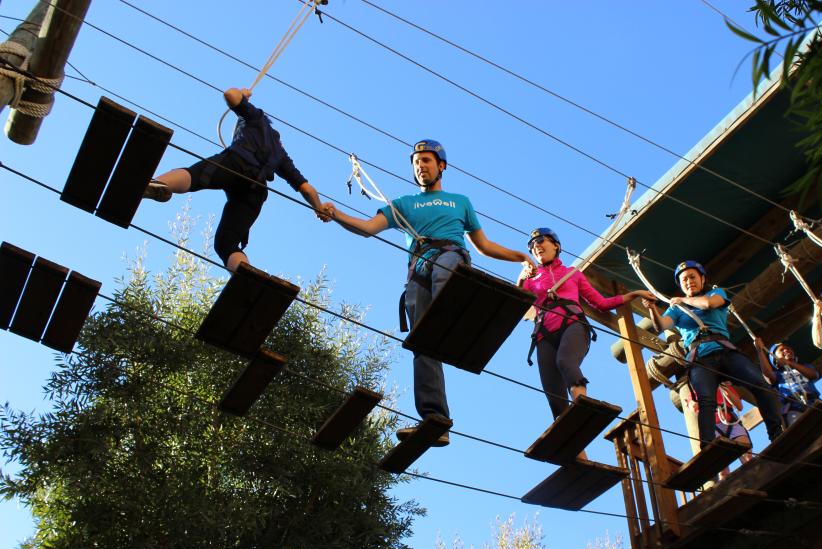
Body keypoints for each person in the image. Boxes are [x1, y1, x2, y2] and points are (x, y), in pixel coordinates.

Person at [318, 139, 533, 444]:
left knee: (446, 275)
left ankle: (456, 319)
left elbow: (484, 246)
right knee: (421, 343)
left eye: (427, 161)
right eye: (417, 162)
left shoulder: (460, 202)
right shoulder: (403, 205)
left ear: (441, 165)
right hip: (418, 269)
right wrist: (336, 213)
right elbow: (367, 228)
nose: (421, 166)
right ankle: (436, 420)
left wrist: (520, 256)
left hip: (450, 256)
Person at [143, 87, 334, 271]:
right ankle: (244, 272)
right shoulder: (281, 156)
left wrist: (243, 95)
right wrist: (318, 208)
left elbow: (230, 94)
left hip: (235, 163)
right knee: (227, 243)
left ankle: (160, 184)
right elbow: (306, 189)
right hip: (255, 191)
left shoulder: (257, 119)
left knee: (194, 176)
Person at [642, 260, 784, 447]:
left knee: (761, 385)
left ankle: (777, 434)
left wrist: (683, 299)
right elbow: (661, 325)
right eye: (684, 279)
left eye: (692, 277)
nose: (689, 281)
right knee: (706, 400)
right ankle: (708, 445)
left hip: (725, 351)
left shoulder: (716, 294)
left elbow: (708, 304)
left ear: (702, 279)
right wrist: (652, 309)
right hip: (700, 358)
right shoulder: (676, 309)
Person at [517, 228, 654, 420]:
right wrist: (522, 277)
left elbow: (601, 303)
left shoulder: (571, 274)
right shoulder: (530, 281)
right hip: (543, 334)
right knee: (553, 396)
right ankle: (573, 441)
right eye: (532, 245)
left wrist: (633, 295)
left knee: (565, 361)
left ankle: (580, 403)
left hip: (572, 325)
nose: (536, 246)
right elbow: (517, 303)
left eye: (541, 240)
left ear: (556, 245)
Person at [754, 338, 821, 426]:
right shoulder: (778, 375)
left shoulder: (804, 367)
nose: (786, 350)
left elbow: (813, 375)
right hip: (794, 408)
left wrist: (790, 364)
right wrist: (760, 351)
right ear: (775, 359)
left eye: (788, 349)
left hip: (814, 403)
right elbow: (768, 374)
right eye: (781, 350)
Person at [711, 382, 753, 479]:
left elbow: (739, 406)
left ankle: (754, 479)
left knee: (747, 458)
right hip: (714, 426)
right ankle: (726, 491)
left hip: (731, 422)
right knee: (722, 470)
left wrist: (724, 388)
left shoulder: (725, 387)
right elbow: (694, 408)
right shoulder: (697, 390)